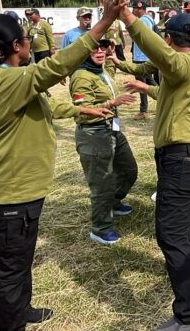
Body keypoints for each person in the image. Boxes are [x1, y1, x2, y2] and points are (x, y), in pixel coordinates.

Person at [0, 0, 122, 331]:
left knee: (20, 261)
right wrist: (104, 22)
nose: (31, 43)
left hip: (21, 189)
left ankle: (21, 310)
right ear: (16, 45)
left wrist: (83, 111)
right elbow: (55, 69)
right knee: (10, 270)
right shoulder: (6, 80)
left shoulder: (6, 79)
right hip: (11, 191)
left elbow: (48, 105)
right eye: (27, 39)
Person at [119, 4, 190, 331]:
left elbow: (160, 54)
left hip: (184, 158)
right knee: (181, 223)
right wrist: (147, 89)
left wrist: (128, 19)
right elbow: (177, 93)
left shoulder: (182, 61)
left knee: (169, 232)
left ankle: (189, 317)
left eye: (166, 38)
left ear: (171, 39)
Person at [69, 38, 139, 245]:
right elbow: (82, 112)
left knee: (129, 170)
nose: (100, 51)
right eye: (94, 48)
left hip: (112, 129)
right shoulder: (82, 76)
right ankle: (101, 227)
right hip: (94, 134)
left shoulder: (101, 70)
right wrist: (112, 102)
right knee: (102, 184)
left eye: (103, 47)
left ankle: (113, 203)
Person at [130, 0, 158, 120]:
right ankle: (166, 98)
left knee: (141, 84)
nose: (132, 10)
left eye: (134, 8)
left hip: (142, 57)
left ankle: (143, 110)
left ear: (139, 9)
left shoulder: (143, 21)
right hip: (144, 56)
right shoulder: (148, 19)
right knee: (150, 82)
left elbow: (144, 38)